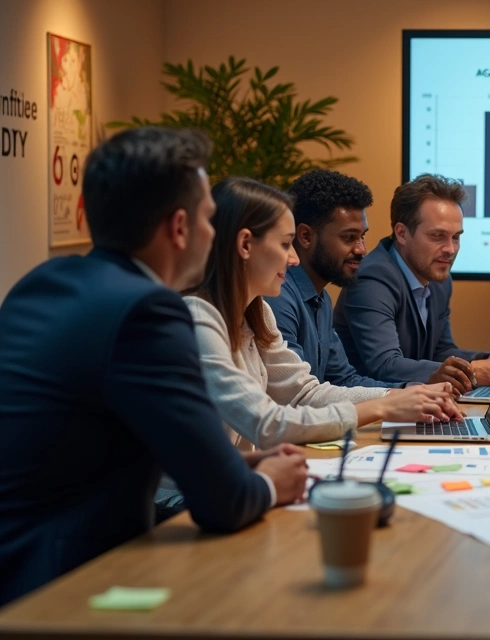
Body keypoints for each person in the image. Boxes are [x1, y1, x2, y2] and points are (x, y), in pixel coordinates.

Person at [0, 127, 307, 606]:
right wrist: (271, 484)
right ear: (180, 228)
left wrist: (232, 464)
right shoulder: (149, 311)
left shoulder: (41, 282)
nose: (216, 233)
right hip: (65, 587)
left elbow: (89, 445)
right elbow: (223, 505)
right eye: (210, 218)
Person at [185, 177, 462, 450]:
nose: (293, 259)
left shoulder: (259, 312)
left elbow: (304, 393)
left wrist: (398, 396)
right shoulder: (199, 320)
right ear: (245, 245)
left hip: (234, 478)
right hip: (187, 495)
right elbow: (266, 424)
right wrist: (384, 406)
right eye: (284, 244)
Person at [334, 174, 490, 392]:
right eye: (438, 236)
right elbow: (385, 365)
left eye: (456, 237)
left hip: (419, 403)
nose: (450, 249)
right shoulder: (372, 279)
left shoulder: (439, 279)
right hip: (371, 411)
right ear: (402, 233)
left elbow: (441, 351)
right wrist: (474, 371)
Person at [264, 169, 400, 389]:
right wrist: (399, 399)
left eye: (362, 236)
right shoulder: (277, 296)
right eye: (349, 238)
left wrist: (412, 392)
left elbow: (344, 380)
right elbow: (299, 393)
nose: (362, 249)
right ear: (306, 236)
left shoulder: (321, 299)